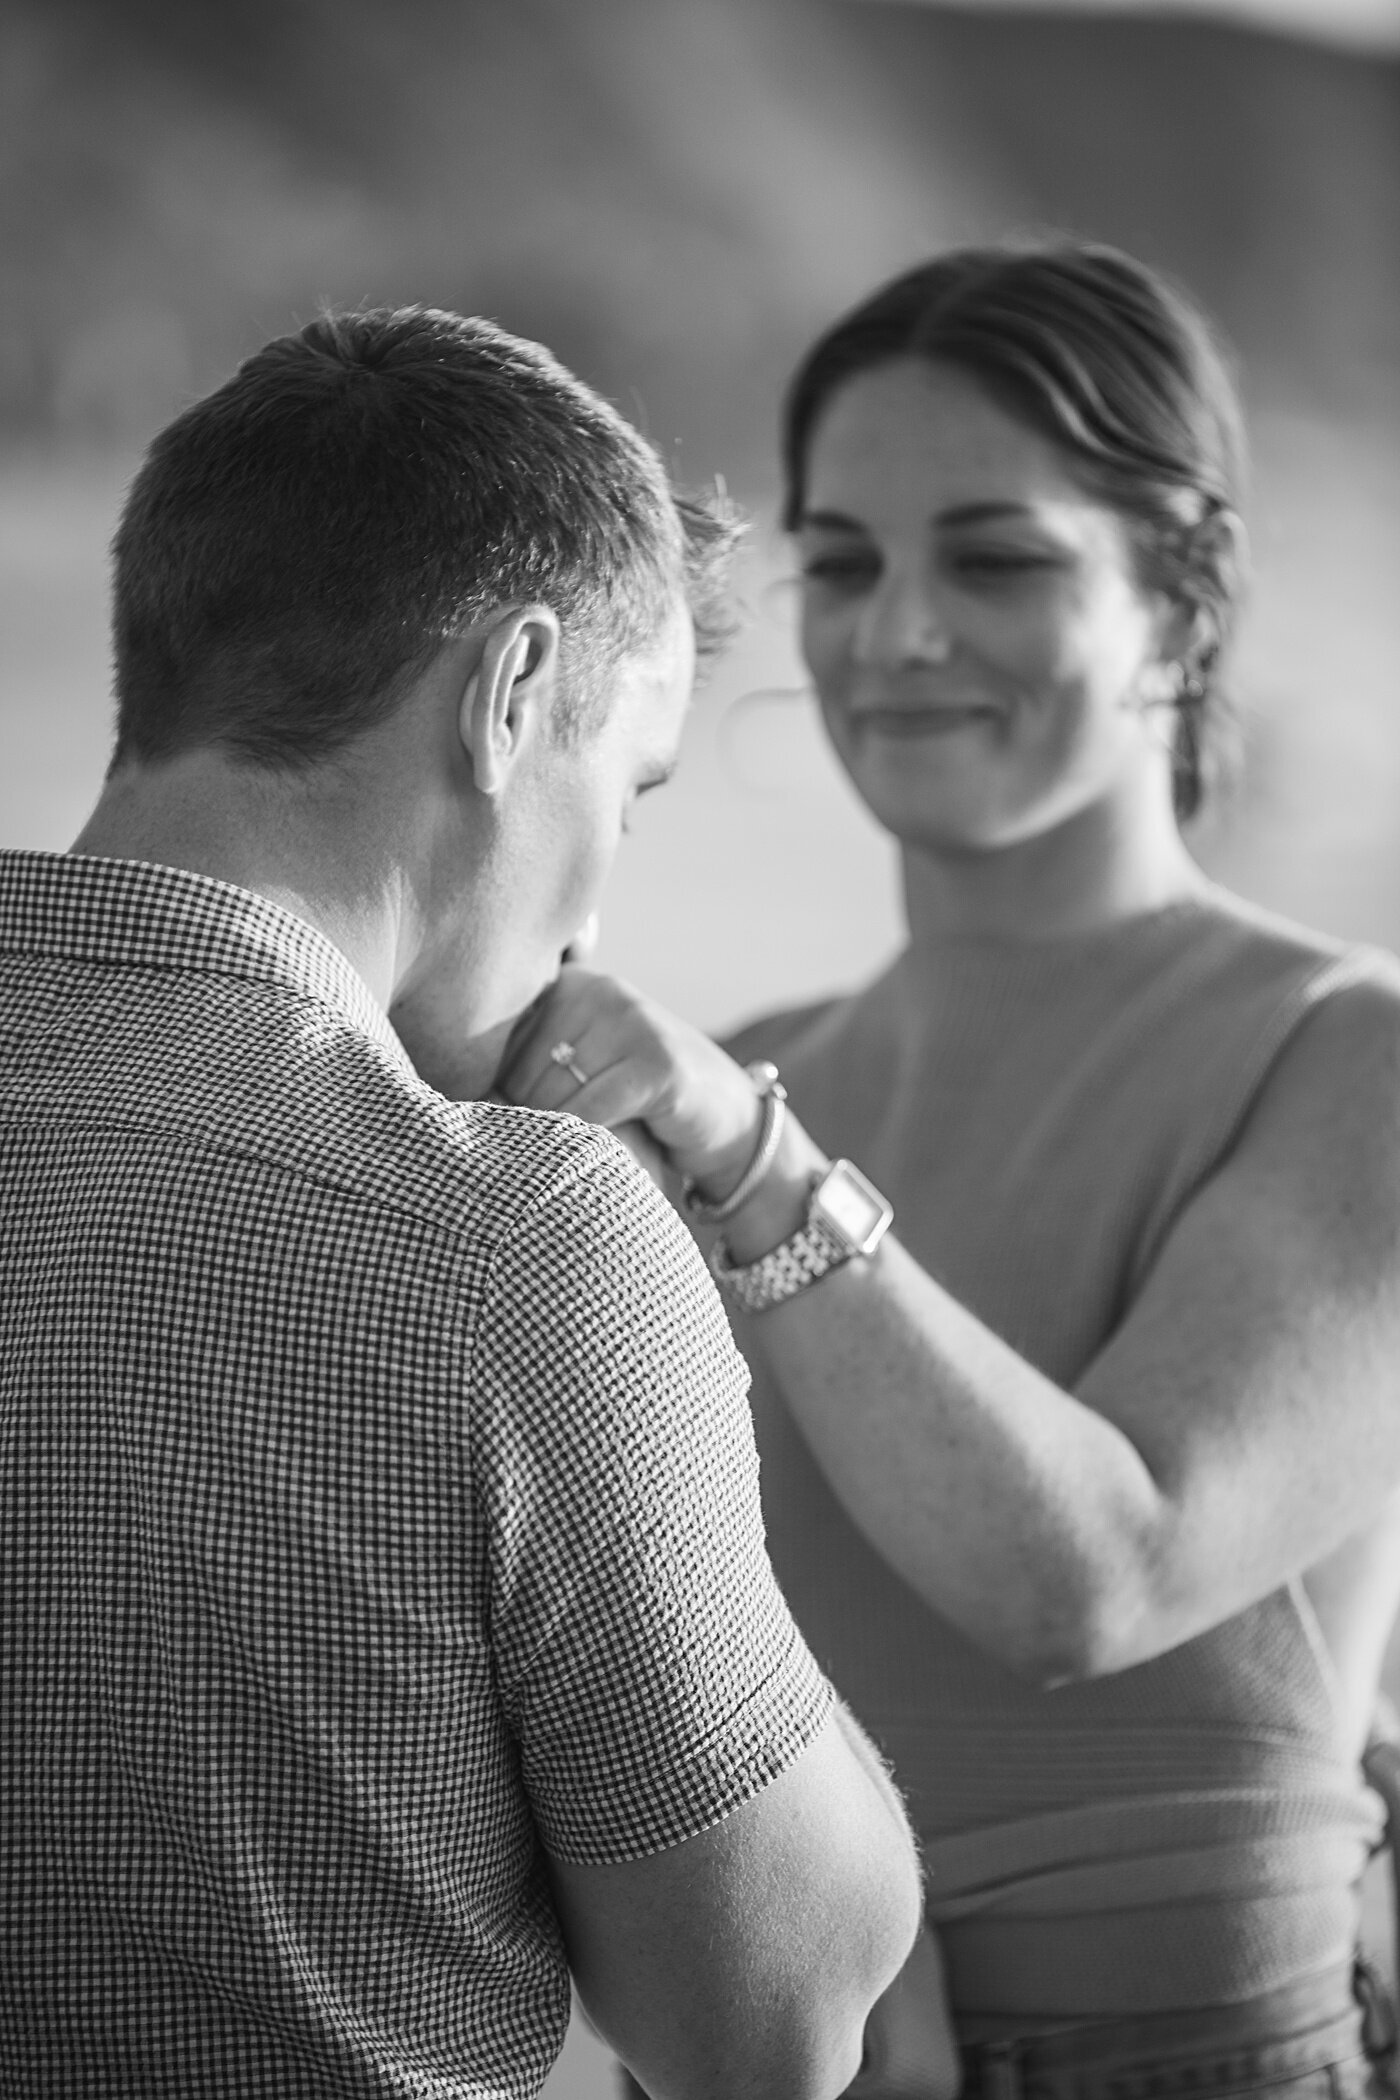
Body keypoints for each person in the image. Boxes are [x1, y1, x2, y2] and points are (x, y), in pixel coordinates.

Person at [499, 243, 1400, 2100]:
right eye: (843, 562)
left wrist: (748, 1167)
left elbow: (1101, 1576)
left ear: (1184, 603)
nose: (898, 632)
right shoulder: (762, 1065)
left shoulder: (1345, 1047)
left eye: (995, 558)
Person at [0, 306, 925, 2099]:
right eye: (629, 793)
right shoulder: (513, 1239)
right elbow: (772, 2020)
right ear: (512, 698)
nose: (597, 919)